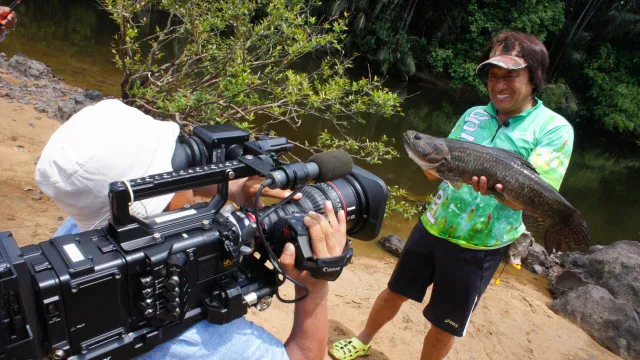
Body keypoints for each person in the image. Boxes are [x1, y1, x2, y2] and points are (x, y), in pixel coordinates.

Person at [35, 99, 348, 360]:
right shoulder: (204, 346)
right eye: (179, 162)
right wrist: (315, 284)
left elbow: (162, 200)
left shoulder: (75, 238)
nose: (186, 168)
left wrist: (233, 188)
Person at [330, 31, 575, 360]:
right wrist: (426, 161)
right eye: (493, 75)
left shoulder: (553, 128)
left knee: (445, 323)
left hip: (480, 247)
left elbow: (534, 194)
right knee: (394, 291)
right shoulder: (473, 115)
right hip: (433, 226)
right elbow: (435, 173)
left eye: (510, 75)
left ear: (535, 77)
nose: (499, 84)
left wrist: (504, 193)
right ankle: (363, 339)